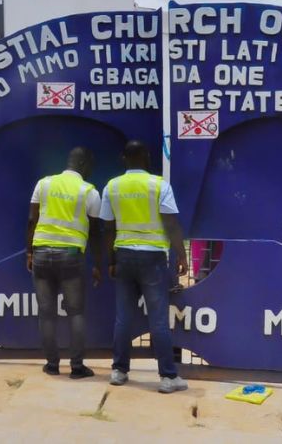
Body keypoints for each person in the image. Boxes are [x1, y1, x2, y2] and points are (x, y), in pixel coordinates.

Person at [101, 140, 189, 393]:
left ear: (123, 159)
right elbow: (171, 223)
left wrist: (111, 260)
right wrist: (181, 256)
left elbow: (107, 228)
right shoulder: (159, 185)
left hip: (125, 256)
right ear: (147, 157)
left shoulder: (113, 186)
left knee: (123, 318)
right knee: (158, 319)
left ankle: (119, 371)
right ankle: (167, 377)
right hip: (153, 259)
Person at [26, 147, 103, 379]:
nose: (91, 170)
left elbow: (32, 219)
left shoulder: (44, 184)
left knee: (46, 313)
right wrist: (98, 264)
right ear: (82, 165)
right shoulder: (89, 191)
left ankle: (51, 365)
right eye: (89, 165)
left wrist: (29, 252)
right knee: (76, 313)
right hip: (70, 256)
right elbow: (97, 232)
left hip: (41, 254)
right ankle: (77, 368)